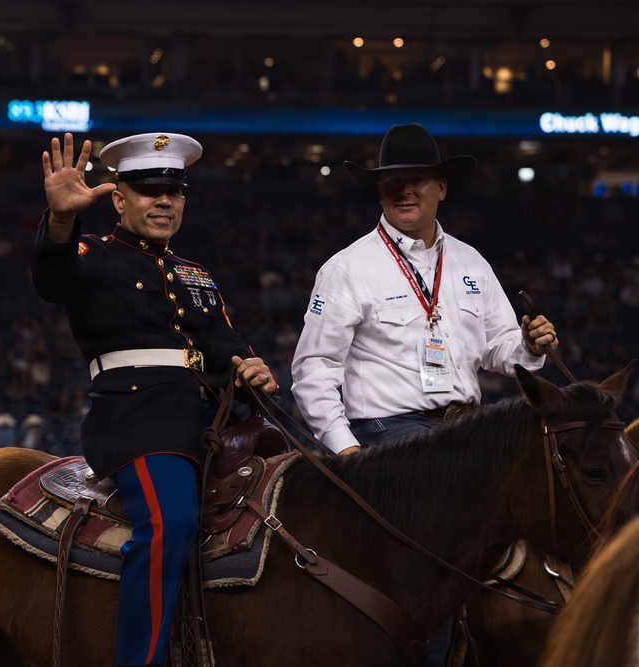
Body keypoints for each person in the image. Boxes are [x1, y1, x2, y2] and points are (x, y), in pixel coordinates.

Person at [289, 123, 558, 666]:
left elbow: (501, 347)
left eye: (417, 181)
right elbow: (313, 370)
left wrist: (530, 346)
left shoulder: (471, 263)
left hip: (468, 438)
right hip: (390, 441)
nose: (404, 191)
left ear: (442, 188)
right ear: (379, 191)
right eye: (392, 183)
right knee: (432, 582)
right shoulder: (347, 268)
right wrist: (348, 454)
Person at [32, 132, 278, 667]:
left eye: (173, 191)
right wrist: (58, 222)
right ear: (119, 200)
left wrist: (249, 363)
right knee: (172, 524)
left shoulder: (196, 275)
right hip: (137, 421)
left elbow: (225, 343)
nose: (163, 201)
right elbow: (51, 279)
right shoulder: (92, 256)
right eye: (147, 191)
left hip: (210, 419)